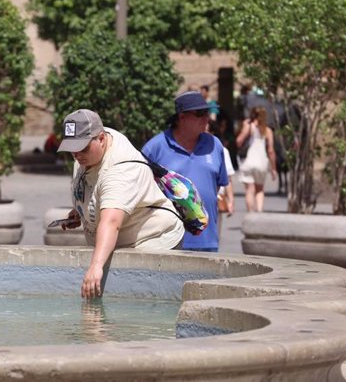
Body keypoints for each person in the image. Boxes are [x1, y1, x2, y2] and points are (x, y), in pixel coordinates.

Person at [57, 109, 184, 299]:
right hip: (120, 237)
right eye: (72, 148)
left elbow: (111, 222)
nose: (77, 155)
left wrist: (95, 267)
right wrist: (81, 212)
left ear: (101, 138)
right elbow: (96, 191)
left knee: (138, 309)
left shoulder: (121, 170)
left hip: (152, 240)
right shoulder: (90, 151)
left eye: (82, 148)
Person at [141, 91, 229, 252]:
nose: (207, 118)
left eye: (207, 113)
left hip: (207, 241)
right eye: (201, 114)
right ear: (182, 117)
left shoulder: (214, 145)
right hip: (168, 241)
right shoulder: (154, 148)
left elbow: (215, 187)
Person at [236, 106, 277, 212]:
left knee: (250, 190)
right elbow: (271, 151)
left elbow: (239, 141)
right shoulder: (268, 130)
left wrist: (244, 126)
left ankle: (250, 214)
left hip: (249, 162)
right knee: (260, 190)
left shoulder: (249, 126)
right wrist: (273, 169)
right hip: (262, 162)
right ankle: (259, 213)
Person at [208, 120, 235, 240]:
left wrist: (231, 201)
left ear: (212, 132)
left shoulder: (222, 150)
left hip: (216, 200)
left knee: (214, 237)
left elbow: (228, 178)